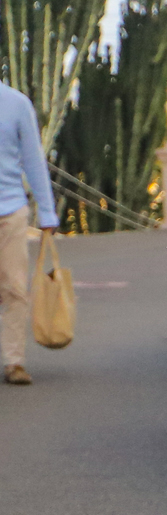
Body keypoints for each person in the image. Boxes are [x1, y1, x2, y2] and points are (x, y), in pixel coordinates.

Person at [0, 78, 59, 387]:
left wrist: (47, 211)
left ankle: (14, 361)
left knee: (14, 287)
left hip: (10, 209)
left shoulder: (17, 103)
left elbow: (33, 159)